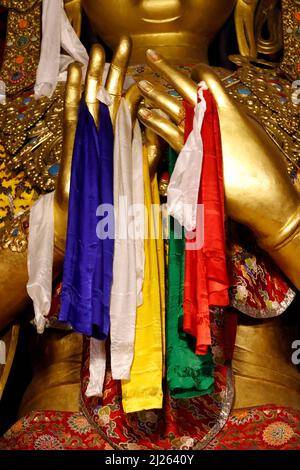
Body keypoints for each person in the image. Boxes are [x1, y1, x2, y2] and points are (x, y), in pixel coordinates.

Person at [0, 0, 299, 450]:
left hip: (263, 422)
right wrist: (56, 231)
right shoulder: (25, 118)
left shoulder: (290, 110)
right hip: (64, 425)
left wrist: (282, 218)